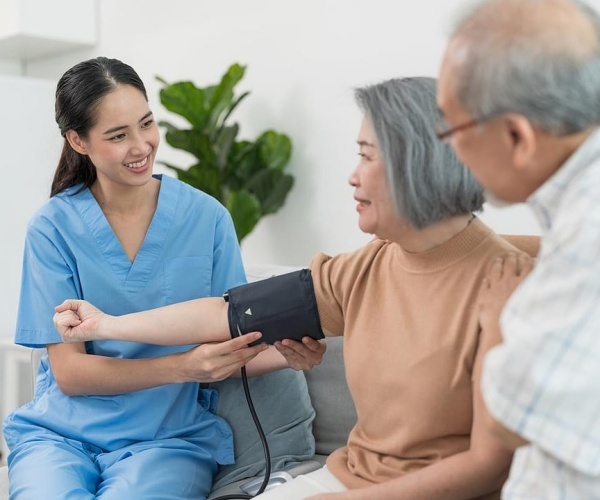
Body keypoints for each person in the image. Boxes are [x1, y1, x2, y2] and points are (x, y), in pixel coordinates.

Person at [54, 76, 534, 499]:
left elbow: (490, 466)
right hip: (350, 478)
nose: (351, 175)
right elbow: (224, 314)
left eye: (366, 156)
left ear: (417, 165)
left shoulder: (508, 287)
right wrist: (108, 324)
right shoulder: (365, 268)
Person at [2, 56, 323, 500]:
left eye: (146, 124)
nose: (141, 146)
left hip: (169, 442)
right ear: (78, 140)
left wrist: (292, 353)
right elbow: (71, 373)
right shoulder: (52, 228)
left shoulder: (207, 218)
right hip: (61, 435)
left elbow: (235, 341)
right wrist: (181, 367)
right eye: (118, 135)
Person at [436, 0, 600, 497]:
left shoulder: (588, 233)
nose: (447, 150)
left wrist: (500, 320)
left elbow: (512, 417)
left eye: (451, 129)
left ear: (516, 135)